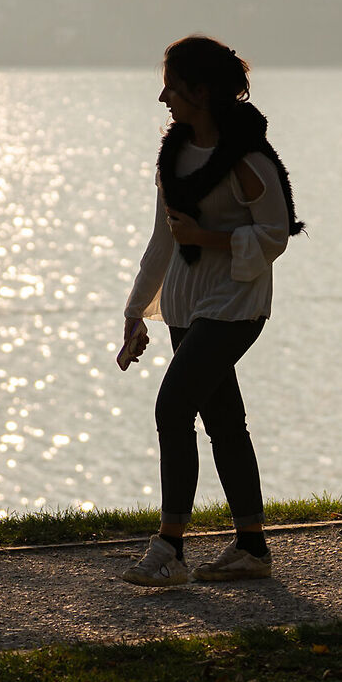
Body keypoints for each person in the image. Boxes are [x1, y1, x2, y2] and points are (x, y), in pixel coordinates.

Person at [116, 35, 304, 585]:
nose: (163, 98)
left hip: (235, 304)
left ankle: (169, 550)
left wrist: (209, 235)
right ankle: (251, 549)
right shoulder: (173, 158)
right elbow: (163, 240)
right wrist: (135, 312)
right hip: (183, 303)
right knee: (224, 421)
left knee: (173, 408)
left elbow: (274, 235)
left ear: (200, 90)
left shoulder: (250, 160)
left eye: (172, 86)